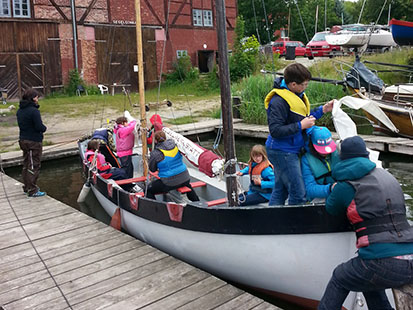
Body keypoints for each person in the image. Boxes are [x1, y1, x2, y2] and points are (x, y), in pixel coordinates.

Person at [319, 136, 413, 310]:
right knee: (365, 278)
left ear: (342, 158)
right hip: (410, 257)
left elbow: (331, 208)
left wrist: (334, 188)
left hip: (384, 262)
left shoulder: (346, 185)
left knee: (340, 277)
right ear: (366, 155)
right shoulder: (388, 176)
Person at [264, 63, 333, 205]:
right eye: (304, 84)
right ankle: (294, 224)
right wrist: (300, 126)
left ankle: (273, 220)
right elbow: (275, 131)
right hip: (282, 151)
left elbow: (303, 117)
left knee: (281, 189)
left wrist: (323, 110)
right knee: (298, 193)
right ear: (293, 84)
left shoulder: (297, 94)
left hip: (289, 150)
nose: (306, 87)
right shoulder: (278, 102)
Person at [147, 131, 199, 201]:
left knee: (148, 190)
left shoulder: (156, 153)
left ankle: (156, 208)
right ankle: (197, 202)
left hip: (169, 182)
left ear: (155, 140)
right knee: (187, 185)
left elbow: (152, 169)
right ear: (165, 137)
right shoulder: (175, 145)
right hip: (185, 177)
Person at [16, 88, 47, 197]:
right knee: (34, 165)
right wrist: (44, 128)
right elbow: (39, 126)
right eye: (37, 97)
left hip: (23, 140)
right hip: (33, 142)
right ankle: (32, 190)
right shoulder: (34, 111)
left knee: (26, 164)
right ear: (33, 98)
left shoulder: (20, 110)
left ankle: (27, 187)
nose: (38, 99)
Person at [301, 126, 339, 202]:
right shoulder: (306, 160)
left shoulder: (338, 151)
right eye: (321, 149)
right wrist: (331, 188)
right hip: (320, 197)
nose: (325, 153)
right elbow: (309, 189)